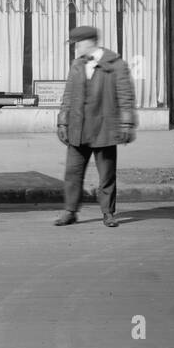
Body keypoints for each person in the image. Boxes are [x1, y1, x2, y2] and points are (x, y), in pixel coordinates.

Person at [55, 24, 136, 228]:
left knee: (107, 174)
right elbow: (68, 95)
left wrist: (126, 123)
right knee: (72, 172)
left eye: (77, 45)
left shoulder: (115, 64)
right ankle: (70, 211)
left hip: (104, 129)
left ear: (88, 43)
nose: (75, 49)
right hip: (78, 128)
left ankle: (108, 213)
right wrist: (63, 120)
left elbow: (126, 96)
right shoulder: (77, 64)